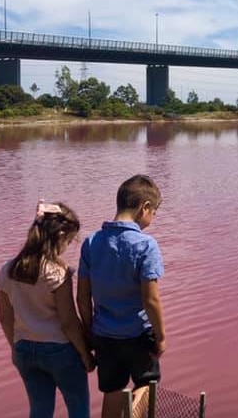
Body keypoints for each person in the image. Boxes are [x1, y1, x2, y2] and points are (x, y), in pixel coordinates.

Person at [77, 174, 166, 418]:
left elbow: (82, 297)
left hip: (104, 334)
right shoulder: (146, 245)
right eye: (154, 212)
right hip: (138, 333)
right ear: (144, 208)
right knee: (147, 386)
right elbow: (151, 300)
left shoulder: (91, 242)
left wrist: (89, 332)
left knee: (113, 391)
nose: (153, 218)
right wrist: (161, 337)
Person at [0, 201, 95, 418]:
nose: (67, 246)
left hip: (24, 350)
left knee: (40, 411)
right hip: (59, 351)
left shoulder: (7, 270)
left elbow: (5, 319)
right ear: (59, 235)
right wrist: (85, 354)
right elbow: (69, 322)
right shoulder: (57, 274)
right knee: (78, 410)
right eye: (69, 241)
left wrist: (15, 348)